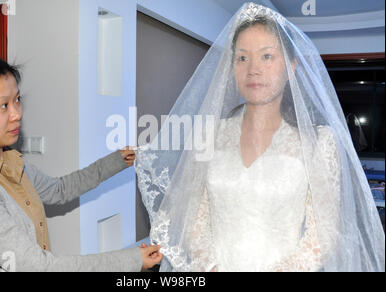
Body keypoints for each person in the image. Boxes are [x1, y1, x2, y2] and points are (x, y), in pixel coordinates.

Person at [135, 2, 385, 271]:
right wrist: (211, 267)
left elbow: (322, 237)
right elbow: (195, 217)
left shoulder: (319, 142)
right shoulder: (208, 133)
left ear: (290, 67)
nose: (253, 68)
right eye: (242, 57)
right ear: (231, 67)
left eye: (267, 56)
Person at [0, 51, 162, 272]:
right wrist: (131, 261)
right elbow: (37, 266)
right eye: (3, 105)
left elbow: (59, 190)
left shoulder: (10, 161)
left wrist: (118, 160)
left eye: (17, 100)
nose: (16, 113)